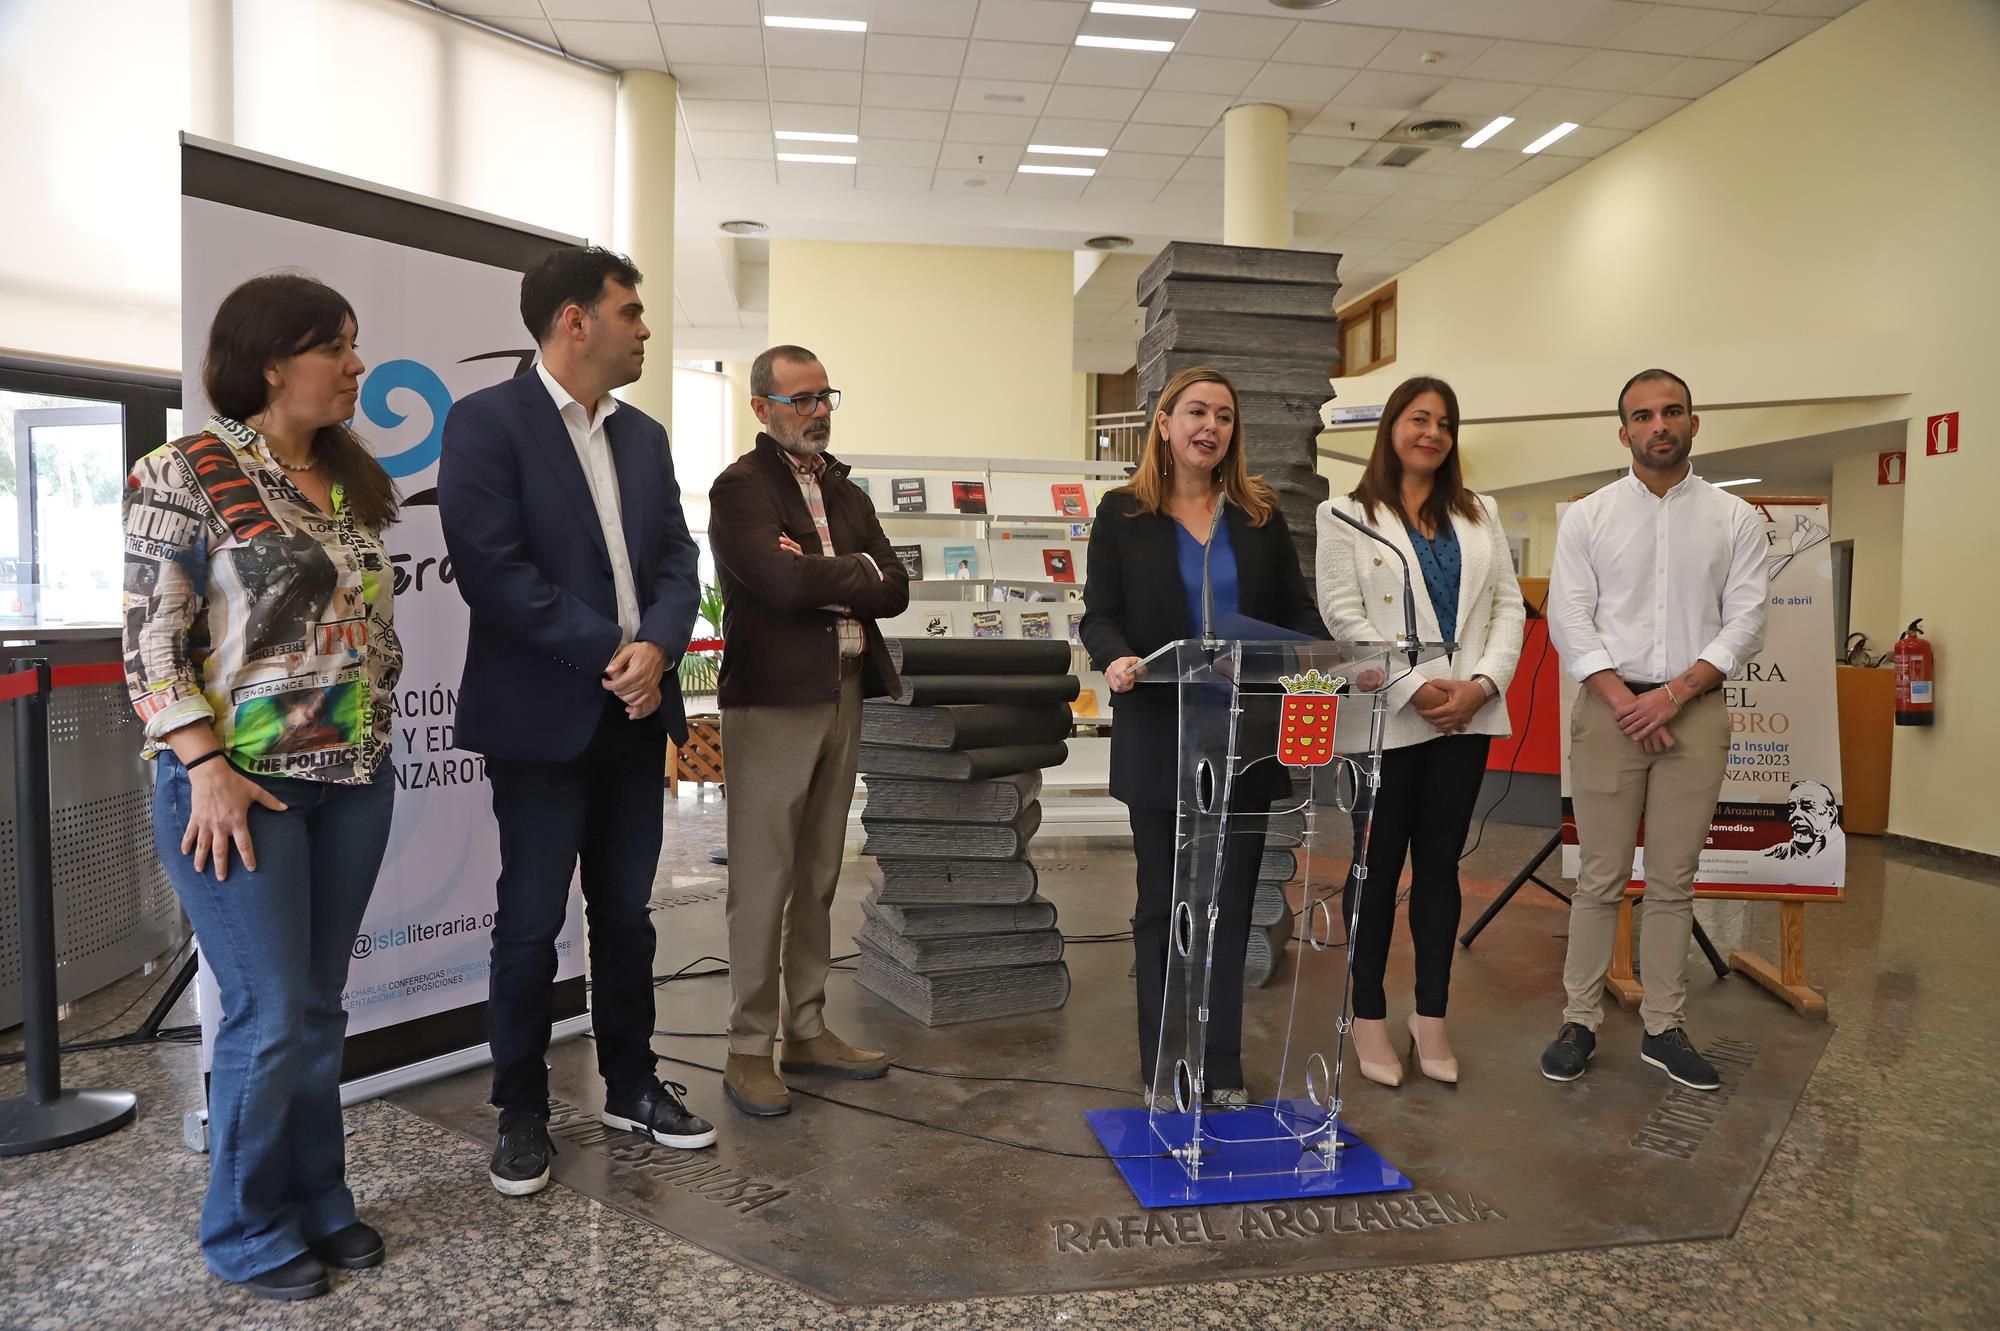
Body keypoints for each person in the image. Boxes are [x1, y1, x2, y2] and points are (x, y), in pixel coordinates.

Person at [123, 272, 403, 1301]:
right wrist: (203, 764)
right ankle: (243, 1222)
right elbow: (149, 640)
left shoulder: (347, 477)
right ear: (273, 360)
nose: (357, 364)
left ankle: (318, 1194)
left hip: (354, 776)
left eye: (355, 342)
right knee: (269, 1008)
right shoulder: (187, 468)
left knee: (319, 1005)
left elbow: (366, 630)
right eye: (337, 344)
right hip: (237, 783)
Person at [439, 246, 713, 1197]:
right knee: (528, 923)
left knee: (628, 917)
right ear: (574, 321)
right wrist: (616, 651)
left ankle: (630, 1083)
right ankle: (520, 1108)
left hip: (638, 715)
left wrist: (663, 650)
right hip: (545, 716)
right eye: (630, 311)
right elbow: (493, 570)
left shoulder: (644, 437)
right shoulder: (485, 424)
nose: (643, 328)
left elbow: (679, 561)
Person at [1080, 366, 1326, 1108]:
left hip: (1242, 739)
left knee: (1230, 903)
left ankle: (1218, 1063)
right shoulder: (1122, 513)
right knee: (1164, 903)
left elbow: (1297, 613)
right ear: (1164, 423)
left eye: (1223, 414)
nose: (1209, 426)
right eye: (1195, 411)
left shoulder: (1257, 515)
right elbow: (1099, 612)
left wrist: (1333, 662)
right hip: (1162, 734)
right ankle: (1163, 1062)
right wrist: (1115, 655)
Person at [1541, 369, 1768, 1091]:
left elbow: (1748, 618)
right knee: (1599, 878)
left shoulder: (1735, 519)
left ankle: (1664, 1028)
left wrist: (1673, 694)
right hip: (1610, 711)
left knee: (1672, 880)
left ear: (1694, 423)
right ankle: (1579, 1019)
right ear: (1624, 432)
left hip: (1694, 712)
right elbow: (1570, 618)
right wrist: (1625, 698)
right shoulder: (1589, 515)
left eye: (1672, 411)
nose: (1658, 424)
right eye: (1643, 415)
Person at [706, 345, 910, 1117]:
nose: (817, 410)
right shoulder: (741, 489)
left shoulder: (843, 489)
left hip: (845, 691)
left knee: (820, 873)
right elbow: (780, 580)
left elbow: (893, 585)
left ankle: (807, 1028)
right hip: (773, 701)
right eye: (800, 399)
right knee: (764, 879)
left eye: (825, 395)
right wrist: (848, 572)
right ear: (762, 408)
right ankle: (747, 1048)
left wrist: (841, 566)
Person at [1315, 375, 1524, 1087]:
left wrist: (1482, 684)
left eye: (1443, 422)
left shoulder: (1480, 511)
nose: (1431, 432)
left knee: (1440, 869)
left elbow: (1507, 609)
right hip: (1385, 716)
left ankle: (1429, 1016)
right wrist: (1412, 686)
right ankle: (1367, 1017)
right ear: (1391, 428)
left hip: (1465, 717)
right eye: (1417, 418)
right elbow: (1344, 615)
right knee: (1373, 872)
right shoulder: (1343, 513)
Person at [1764, 780, 1845, 863]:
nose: (1795, 815)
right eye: (1792, 808)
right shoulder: (1781, 851)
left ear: (1830, 814)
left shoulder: (1841, 847)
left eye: (1807, 806)